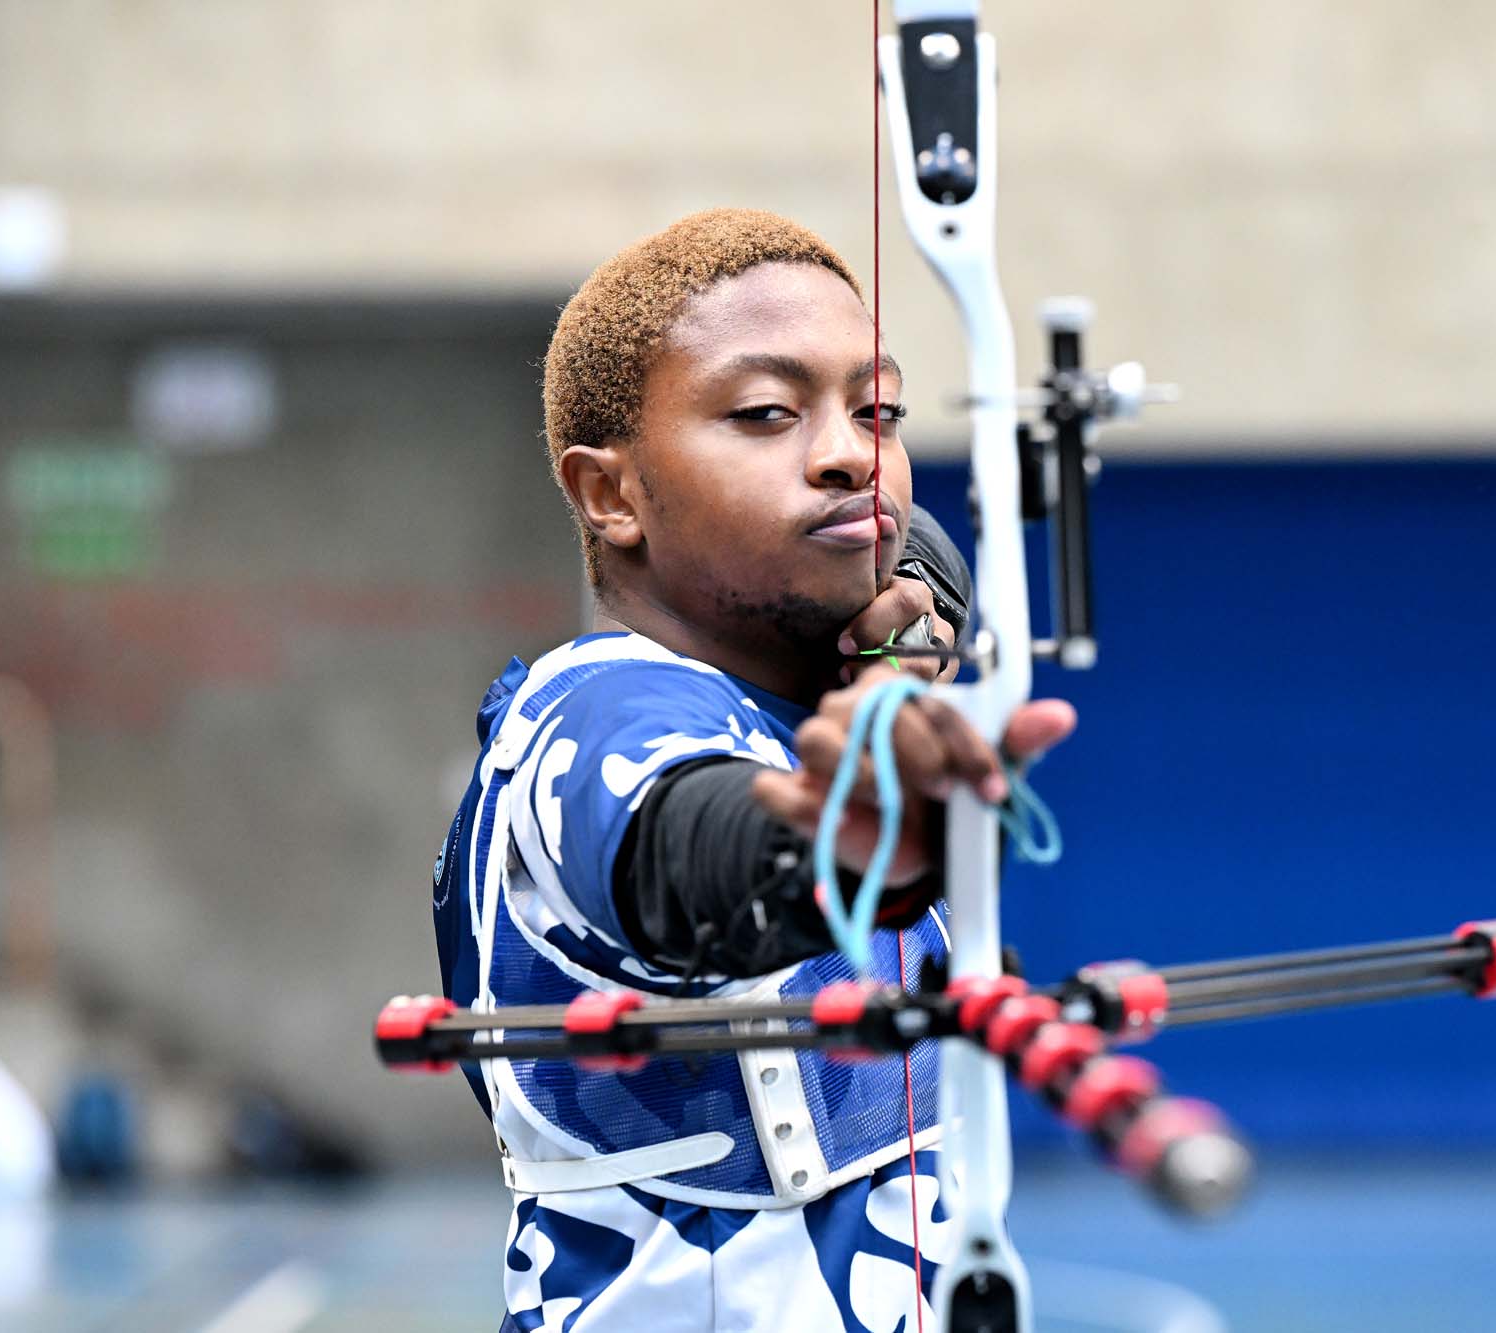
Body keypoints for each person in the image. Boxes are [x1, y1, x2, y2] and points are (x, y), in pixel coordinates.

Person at [431, 208, 1075, 1332]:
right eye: (766, 413)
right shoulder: (590, 705)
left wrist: (899, 649)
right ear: (610, 495)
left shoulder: (823, 701)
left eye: (877, 410)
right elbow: (692, 848)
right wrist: (830, 842)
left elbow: (921, 559)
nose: (846, 452)